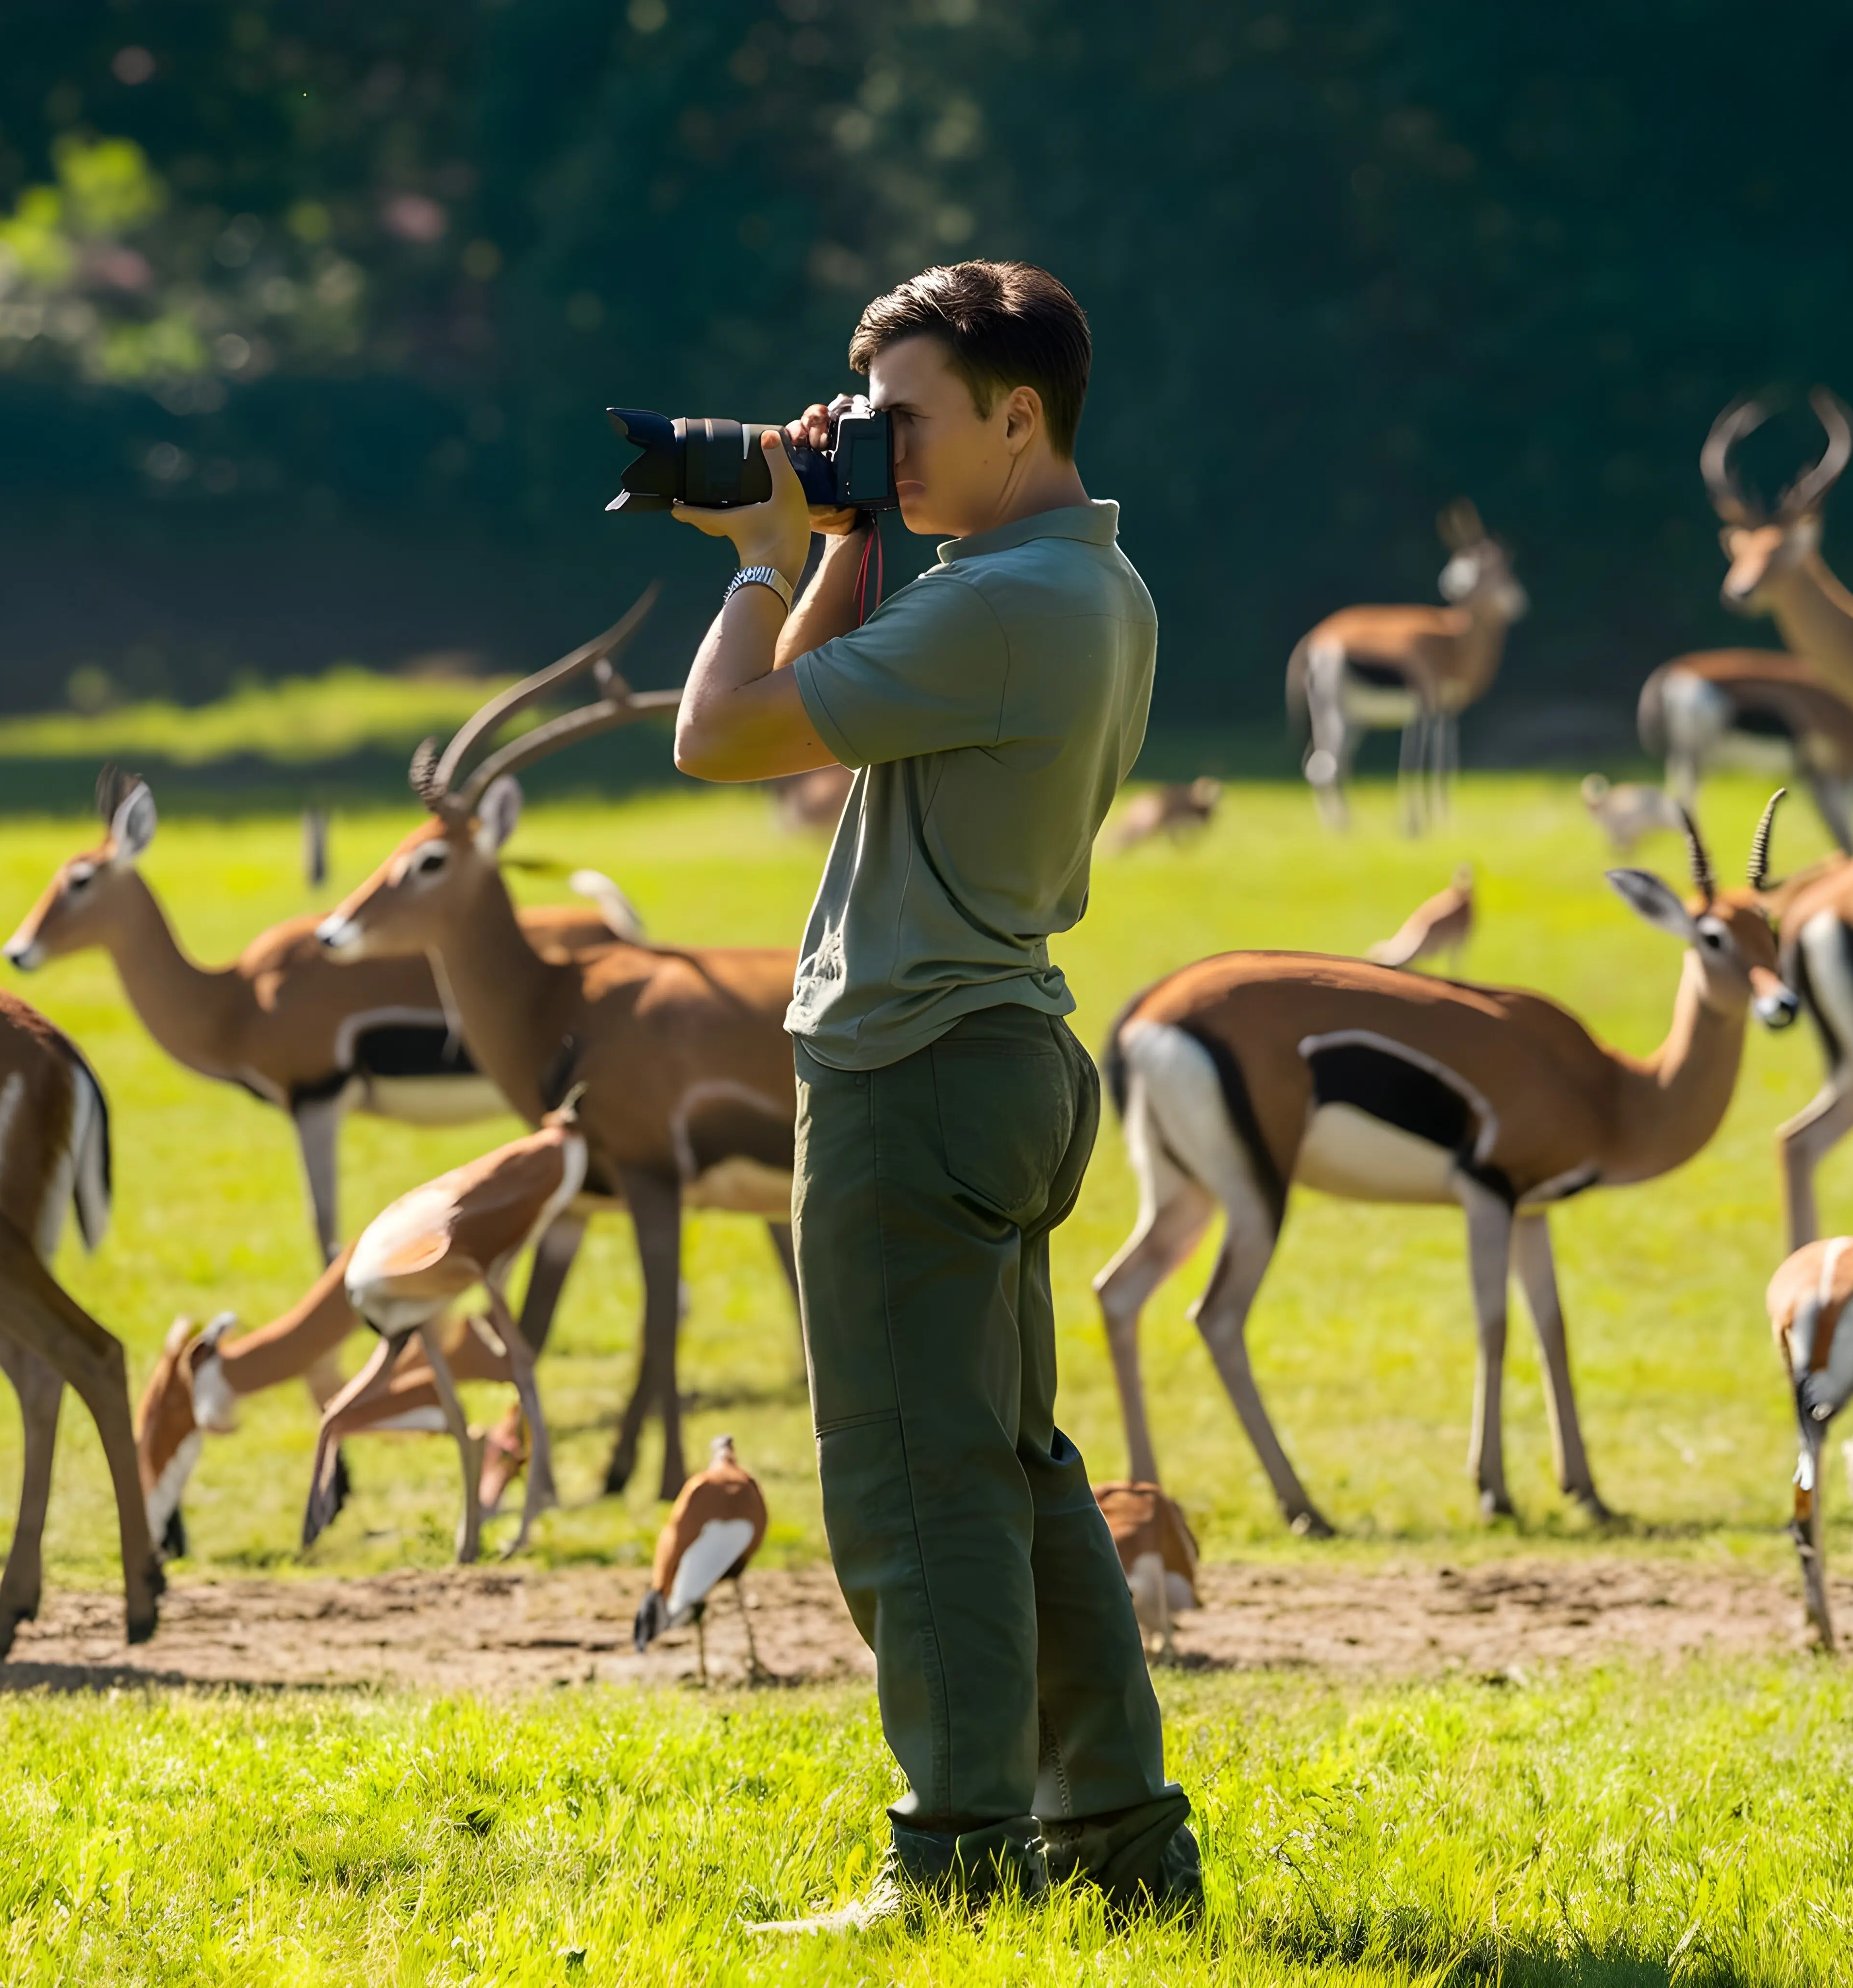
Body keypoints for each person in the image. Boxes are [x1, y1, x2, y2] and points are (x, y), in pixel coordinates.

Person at [670, 260, 1197, 1924]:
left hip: (913, 1065)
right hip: (1011, 1048)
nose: (879, 445)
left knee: (911, 1484)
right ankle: (1118, 1845)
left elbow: (722, 738)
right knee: (1019, 1469)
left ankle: (957, 1861)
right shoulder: (1081, 584)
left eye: (907, 417)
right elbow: (821, 737)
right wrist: (835, 543)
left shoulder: (1000, 604)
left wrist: (759, 566)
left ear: (1017, 411)